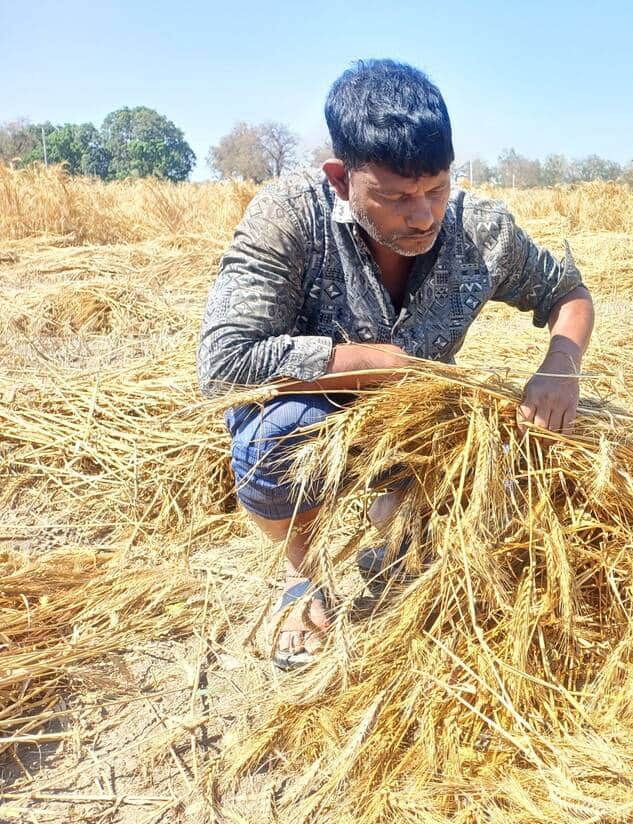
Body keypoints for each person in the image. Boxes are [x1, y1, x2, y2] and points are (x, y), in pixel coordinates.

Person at [196, 59, 594, 669]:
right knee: (272, 439)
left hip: (417, 420)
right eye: (397, 196)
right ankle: (304, 577)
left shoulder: (479, 231)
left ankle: (398, 518)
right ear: (339, 179)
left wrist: (561, 364)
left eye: (436, 188)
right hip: (312, 420)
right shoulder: (289, 217)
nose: (423, 216)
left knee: (500, 475)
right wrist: (357, 362)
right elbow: (224, 362)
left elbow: (568, 293)